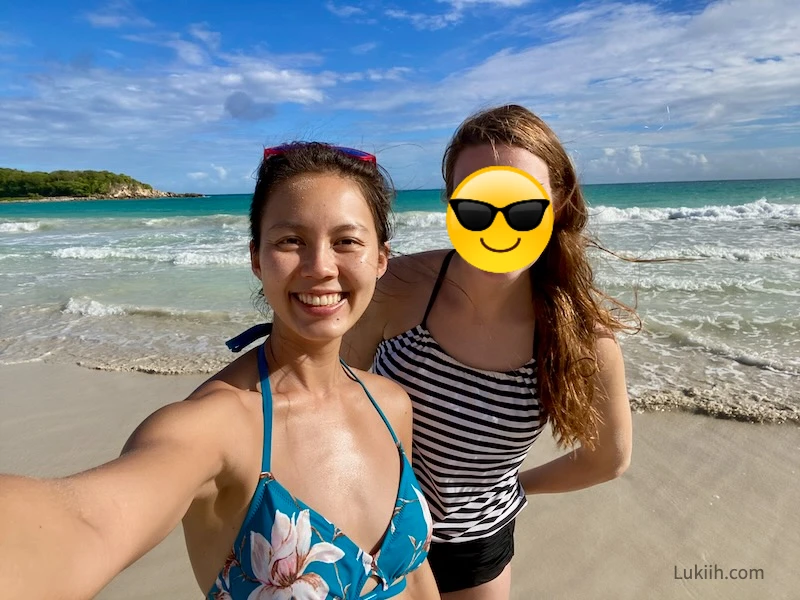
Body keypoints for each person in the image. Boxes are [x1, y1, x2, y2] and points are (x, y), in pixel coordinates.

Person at [0, 142, 440, 600]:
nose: (320, 267)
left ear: (382, 259)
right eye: (291, 241)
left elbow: (414, 573)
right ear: (256, 258)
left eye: (346, 241)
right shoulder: (217, 427)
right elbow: (84, 522)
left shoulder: (391, 403)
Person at [341, 105, 635, 599]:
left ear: (557, 203)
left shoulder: (581, 336)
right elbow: (329, 397)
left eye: (522, 207)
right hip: (370, 526)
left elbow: (608, 459)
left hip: (474, 550)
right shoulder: (398, 286)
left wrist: (518, 488)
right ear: (452, 206)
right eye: (476, 207)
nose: (499, 225)